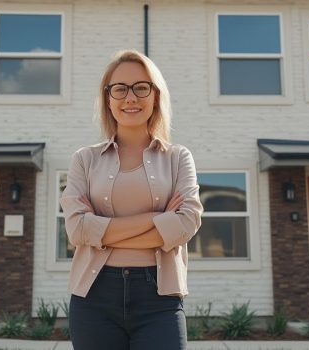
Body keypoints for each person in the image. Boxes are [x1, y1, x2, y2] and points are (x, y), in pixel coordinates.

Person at [59, 49, 204, 350]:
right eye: (120, 89)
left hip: (159, 298)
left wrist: (102, 232)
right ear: (108, 98)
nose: (130, 98)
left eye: (141, 87)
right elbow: (76, 231)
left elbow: (186, 223)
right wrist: (159, 219)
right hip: (94, 297)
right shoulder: (84, 160)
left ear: (155, 95)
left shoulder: (178, 158)